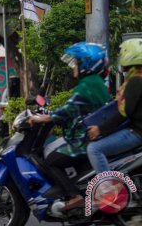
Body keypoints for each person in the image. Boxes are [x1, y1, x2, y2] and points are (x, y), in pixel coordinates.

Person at [28, 42, 111, 211]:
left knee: (49, 161)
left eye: (77, 62)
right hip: (87, 135)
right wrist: (48, 114)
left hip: (83, 139)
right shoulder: (95, 82)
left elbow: (67, 110)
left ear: (87, 64)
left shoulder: (88, 84)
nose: (73, 66)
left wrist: (41, 119)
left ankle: (74, 196)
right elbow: (74, 108)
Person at [87, 38, 142, 174]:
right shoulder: (137, 78)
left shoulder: (135, 80)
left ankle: (107, 188)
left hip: (137, 132)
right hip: (136, 129)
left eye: (123, 53)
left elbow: (124, 112)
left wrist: (100, 129)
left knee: (94, 149)